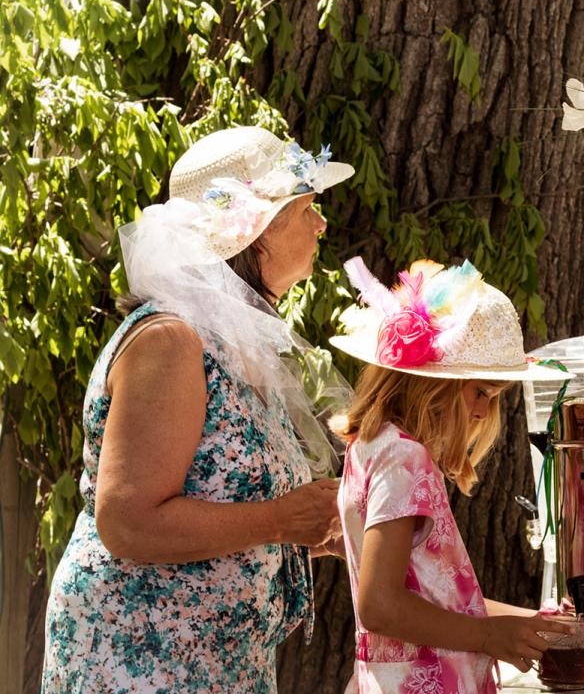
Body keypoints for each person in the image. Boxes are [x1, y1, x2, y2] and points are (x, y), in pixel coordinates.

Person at [42, 126, 356, 692]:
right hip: (139, 658)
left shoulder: (228, 344)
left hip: (211, 663)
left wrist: (309, 531)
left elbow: (225, 497)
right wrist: (280, 519)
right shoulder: (170, 342)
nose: (321, 223)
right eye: (307, 206)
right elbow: (128, 522)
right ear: (255, 232)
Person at [329, 257, 578, 692]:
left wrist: (538, 627)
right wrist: (486, 636)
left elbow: (442, 605)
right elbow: (380, 605)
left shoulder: (374, 446)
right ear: (432, 383)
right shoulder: (403, 457)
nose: (483, 411)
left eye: (494, 397)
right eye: (478, 391)